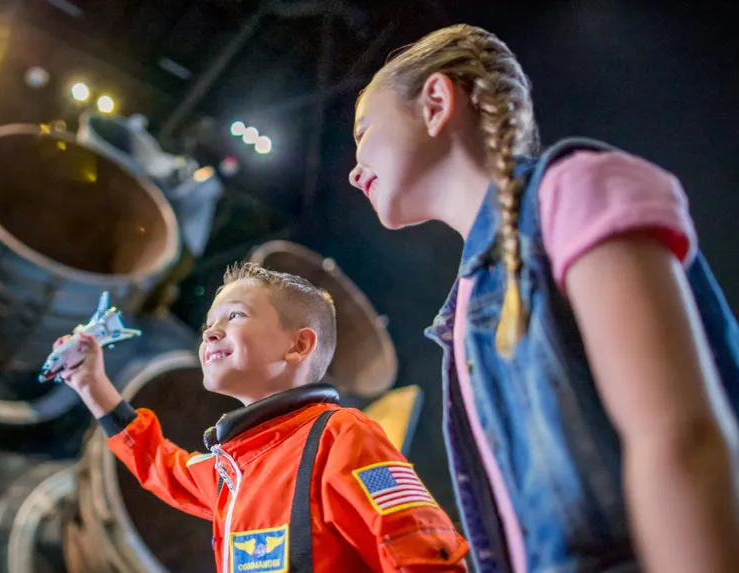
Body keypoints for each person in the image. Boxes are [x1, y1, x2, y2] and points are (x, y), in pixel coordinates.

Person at [348, 23, 739, 573]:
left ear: (435, 102)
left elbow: (680, 440)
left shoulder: (572, 189)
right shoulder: (462, 306)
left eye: (363, 132)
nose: (352, 168)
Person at [55, 262, 470, 572]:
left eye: (234, 316)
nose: (210, 333)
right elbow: (159, 465)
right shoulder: (233, 470)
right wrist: (92, 385)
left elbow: (424, 553)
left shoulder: (344, 436)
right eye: (207, 324)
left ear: (298, 345)